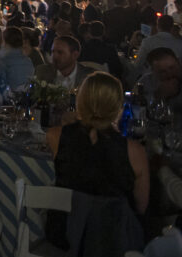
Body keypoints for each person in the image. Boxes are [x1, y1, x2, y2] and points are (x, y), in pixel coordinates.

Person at [45, 72, 149, 246]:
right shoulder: (135, 151)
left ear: (81, 101)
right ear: (118, 106)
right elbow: (141, 207)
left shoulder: (55, 136)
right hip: (113, 239)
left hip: (66, 233)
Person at [0, 27, 35, 92]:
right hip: (26, 96)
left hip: (8, 96)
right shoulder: (28, 61)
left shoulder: (2, 61)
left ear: (4, 41)